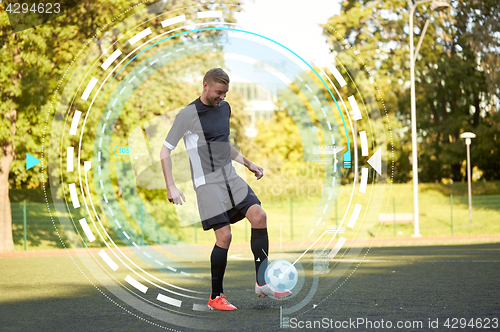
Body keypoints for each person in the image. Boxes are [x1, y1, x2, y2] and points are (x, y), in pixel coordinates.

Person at [160, 68, 291, 311]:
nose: (222, 97)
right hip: (206, 183)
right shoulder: (187, 115)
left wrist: (249, 164)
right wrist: (171, 186)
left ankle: (262, 282)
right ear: (205, 85)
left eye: (226, 93)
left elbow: (223, 145)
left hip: (230, 177)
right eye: (219, 93)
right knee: (225, 236)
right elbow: (165, 150)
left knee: (259, 216)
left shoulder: (225, 108)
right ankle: (215, 297)